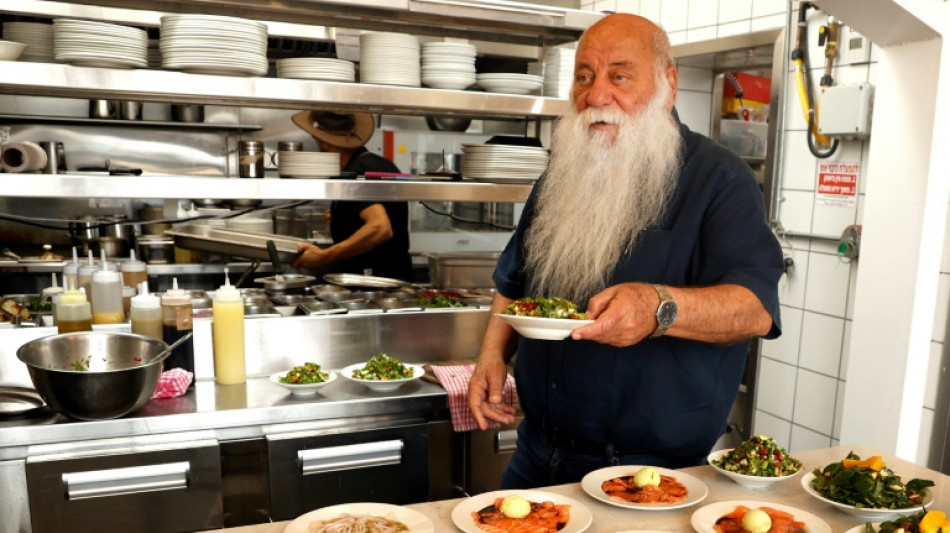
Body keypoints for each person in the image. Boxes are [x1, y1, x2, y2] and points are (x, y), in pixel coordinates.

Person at [467, 13, 784, 489]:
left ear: (667, 83)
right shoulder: (562, 175)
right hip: (537, 453)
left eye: (619, 76)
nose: (596, 96)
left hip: (648, 474)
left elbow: (755, 310)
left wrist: (658, 306)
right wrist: (491, 356)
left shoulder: (719, 179)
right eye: (584, 76)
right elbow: (514, 281)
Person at [289, 111, 412, 281]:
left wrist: (324, 256)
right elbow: (381, 211)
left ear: (326, 143)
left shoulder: (355, 172)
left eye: (316, 139)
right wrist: (345, 217)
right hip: (395, 278)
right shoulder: (381, 163)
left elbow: (380, 228)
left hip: (373, 283)